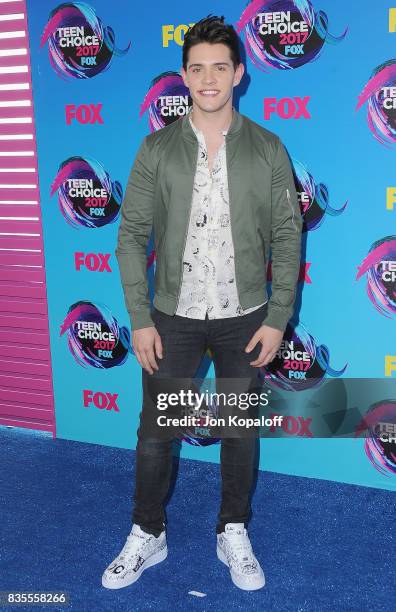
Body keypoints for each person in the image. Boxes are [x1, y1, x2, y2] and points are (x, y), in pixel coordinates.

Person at [102, 14, 302, 592]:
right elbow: (130, 236)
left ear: (239, 73)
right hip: (173, 315)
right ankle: (148, 532)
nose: (208, 78)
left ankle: (232, 529)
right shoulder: (157, 148)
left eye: (220, 67)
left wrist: (277, 316)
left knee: (239, 429)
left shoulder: (267, 148)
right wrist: (140, 319)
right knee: (156, 433)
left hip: (246, 316)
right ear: (184, 77)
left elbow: (289, 237)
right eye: (197, 69)